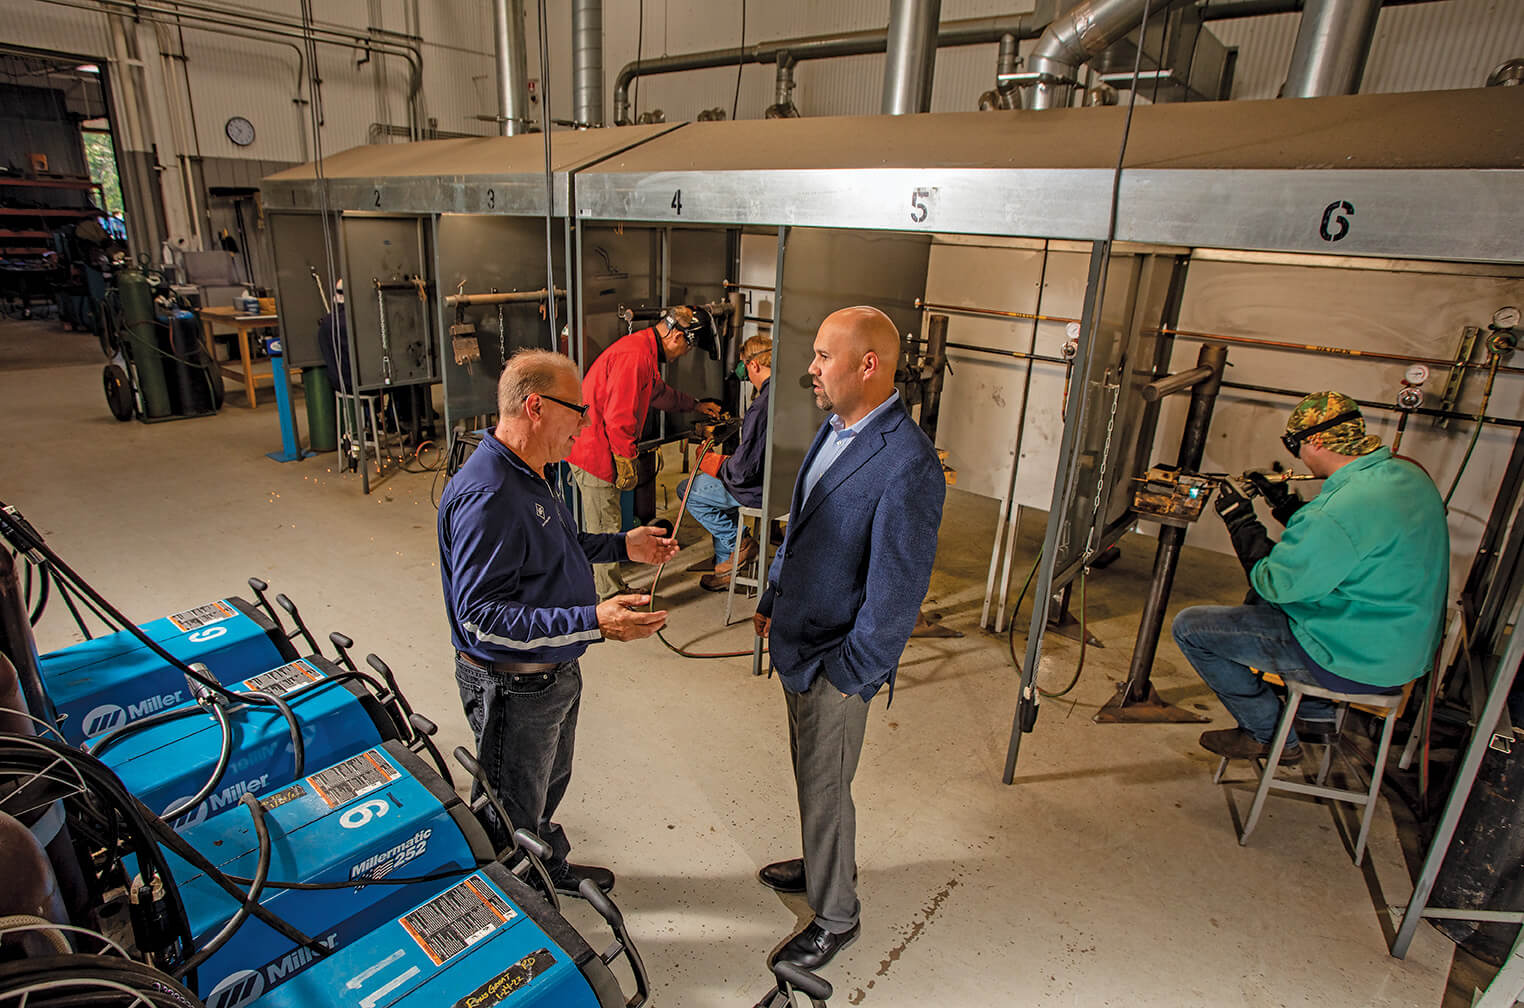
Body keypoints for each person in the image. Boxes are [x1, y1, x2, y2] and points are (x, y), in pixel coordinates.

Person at [438, 348, 678, 896]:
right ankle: (512, 901)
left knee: (545, 783)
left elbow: (552, 545)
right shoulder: (490, 495)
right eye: (580, 410)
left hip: (550, 670)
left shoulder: (531, 471)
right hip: (514, 682)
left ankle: (543, 862)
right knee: (511, 806)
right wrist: (594, 621)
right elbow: (481, 619)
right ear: (537, 406)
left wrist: (622, 544)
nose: (586, 423)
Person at [752, 306, 946, 971]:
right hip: (798, 641)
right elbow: (802, 522)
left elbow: (896, 595)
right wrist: (775, 595)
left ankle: (836, 916)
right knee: (812, 771)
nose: (810, 368)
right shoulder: (835, 429)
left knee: (828, 782)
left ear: (870, 365)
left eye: (823, 356)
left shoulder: (909, 463)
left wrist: (850, 673)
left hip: (837, 659)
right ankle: (818, 863)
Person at [1172, 390, 1449, 763]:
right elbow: (1347, 546)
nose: (1298, 457)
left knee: (1191, 628)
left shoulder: (1337, 511)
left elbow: (1274, 580)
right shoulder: (1406, 475)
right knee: (1262, 603)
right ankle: (1313, 714)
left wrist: (1240, 519)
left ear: (1315, 441)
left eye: (1296, 446)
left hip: (1356, 659)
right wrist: (1285, 505)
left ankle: (1269, 736)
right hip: (1401, 645)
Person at [568, 307, 723, 598]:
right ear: (677, 336)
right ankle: (611, 598)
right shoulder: (635, 356)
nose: (682, 356)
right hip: (596, 451)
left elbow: (659, 393)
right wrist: (626, 459)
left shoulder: (643, 350)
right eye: (687, 349)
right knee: (606, 527)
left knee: (608, 523)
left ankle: (611, 588)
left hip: (601, 445)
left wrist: (695, 405)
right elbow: (619, 417)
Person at [678, 333, 772, 590]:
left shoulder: (761, 405)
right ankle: (727, 572)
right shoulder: (783, 395)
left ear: (753, 365)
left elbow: (741, 472)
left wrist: (715, 463)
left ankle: (740, 544)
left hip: (757, 490)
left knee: (687, 489)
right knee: (716, 490)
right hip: (780, 484)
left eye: (744, 365)